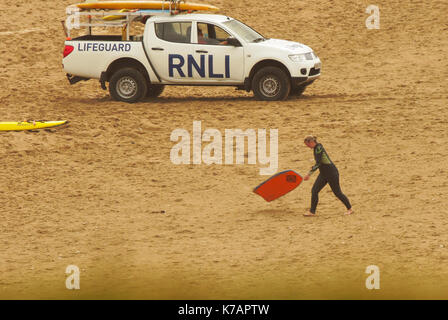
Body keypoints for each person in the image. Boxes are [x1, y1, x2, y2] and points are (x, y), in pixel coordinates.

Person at [302, 135, 353, 216]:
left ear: (311, 142)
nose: (308, 147)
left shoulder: (318, 148)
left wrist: (309, 174)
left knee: (337, 192)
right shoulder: (316, 148)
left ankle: (350, 209)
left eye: (307, 145)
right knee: (314, 190)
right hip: (323, 173)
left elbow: (318, 163)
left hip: (331, 173)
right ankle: (312, 212)